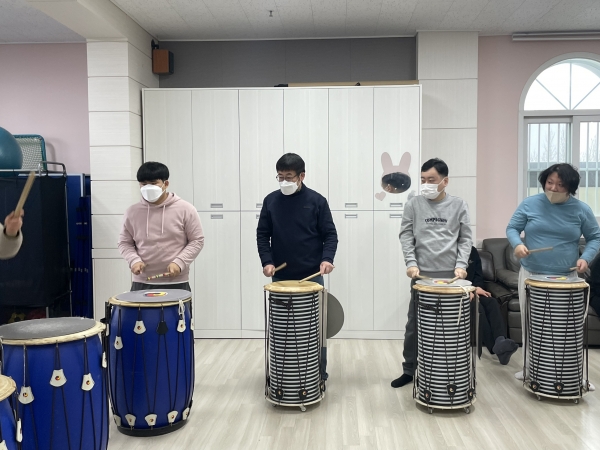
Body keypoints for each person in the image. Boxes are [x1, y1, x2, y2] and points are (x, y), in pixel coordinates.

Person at [506, 163, 600, 381]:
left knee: (568, 329)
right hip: (532, 275)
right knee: (532, 325)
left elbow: (595, 237)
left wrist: (585, 258)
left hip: (567, 277)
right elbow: (512, 228)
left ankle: (575, 375)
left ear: (571, 187)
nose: (553, 188)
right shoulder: (530, 204)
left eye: (560, 185)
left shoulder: (581, 209)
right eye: (550, 183)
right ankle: (530, 369)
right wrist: (517, 244)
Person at [392, 158, 472, 388]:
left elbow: (465, 239)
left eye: (432, 180)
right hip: (422, 277)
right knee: (414, 326)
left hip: (451, 278)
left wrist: (461, 264)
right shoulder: (413, 204)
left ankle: (448, 372)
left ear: (445, 181)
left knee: (451, 328)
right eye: (423, 180)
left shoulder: (459, 205)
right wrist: (411, 263)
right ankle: (409, 370)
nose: (426, 184)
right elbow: (406, 235)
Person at [118, 162, 204, 291]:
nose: (148, 188)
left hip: (176, 281)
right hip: (142, 282)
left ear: (166, 184)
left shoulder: (186, 209)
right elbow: (124, 242)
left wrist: (179, 262)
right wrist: (134, 260)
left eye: (153, 183)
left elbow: (197, 240)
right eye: (143, 184)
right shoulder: (132, 212)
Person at [257, 153, 338, 286]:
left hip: (312, 275)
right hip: (281, 275)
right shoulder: (270, 201)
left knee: (313, 302)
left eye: (289, 177)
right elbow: (262, 235)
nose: (284, 181)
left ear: (302, 176)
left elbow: (330, 234)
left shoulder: (317, 201)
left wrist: (327, 259)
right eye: (280, 177)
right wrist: (267, 262)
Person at [467, 246, 518, 364]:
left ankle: (501, 340)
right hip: (459, 293)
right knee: (477, 308)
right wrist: (466, 290)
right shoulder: (449, 252)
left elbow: (478, 275)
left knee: (491, 302)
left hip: (473, 290)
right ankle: (497, 349)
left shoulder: (472, 251)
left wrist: (476, 287)